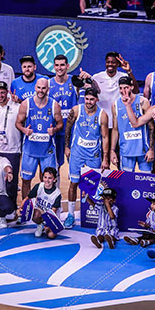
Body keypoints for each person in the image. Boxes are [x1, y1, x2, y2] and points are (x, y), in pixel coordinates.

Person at [65, 87, 109, 227]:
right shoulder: (76, 110)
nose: (89, 102)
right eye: (87, 99)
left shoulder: (102, 115)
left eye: (92, 99)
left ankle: (92, 214)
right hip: (77, 153)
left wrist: (105, 158)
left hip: (93, 154)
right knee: (73, 183)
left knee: (92, 185)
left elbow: (105, 137)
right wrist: (66, 146)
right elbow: (68, 128)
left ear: (97, 99)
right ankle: (70, 215)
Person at [16, 78, 63, 200]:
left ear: (48, 89)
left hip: (47, 152)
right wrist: (24, 130)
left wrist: (54, 130)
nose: (41, 90)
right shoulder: (26, 104)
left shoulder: (54, 105)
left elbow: (60, 124)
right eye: (39, 88)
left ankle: (45, 207)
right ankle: (26, 207)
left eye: (44, 88)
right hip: (30, 150)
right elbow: (18, 123)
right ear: (35, 88)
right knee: (26, 180)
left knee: (47, 181)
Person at [80, 51, 139, 131]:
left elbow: (136, 91)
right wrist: (83, 78)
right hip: (101, 120)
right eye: (108, 62)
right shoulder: (96, 77)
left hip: (119, 120)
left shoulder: (124, 76)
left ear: (118, 64)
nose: (110, 64)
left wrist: (129, 71)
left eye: (113, 62)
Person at [111, 76, 154, 172]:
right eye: (121, 88)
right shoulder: (115, 105)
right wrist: (112, 150)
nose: (123, 91)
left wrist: (151, 149)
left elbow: (151, 127)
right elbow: (115, 129)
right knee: (126, 180)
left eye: (126, 87)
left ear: (132, 87)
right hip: (126, 150)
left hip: (143, 150)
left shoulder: (143, 102)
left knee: (146, 179)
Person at [49, 54, 79, 181]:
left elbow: (95, 91)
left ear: (67, 66)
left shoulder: (75, 81)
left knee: (75, 166)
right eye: (57, 65)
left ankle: (79, 193)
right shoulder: (48, 83)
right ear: (54, 67)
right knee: (55, 166)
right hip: (56, 131)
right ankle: (55, 191)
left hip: (73, 131)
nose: (59, 68)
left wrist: (88, 79)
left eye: (62, 65)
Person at [20, 167, 62, 239]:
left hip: (51, 216)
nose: (47, 180)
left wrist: (47, 224)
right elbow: (27, 198)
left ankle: (44, 226)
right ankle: (40, 225)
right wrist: (21, 208)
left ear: (54, 179)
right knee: (35, 214)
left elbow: (53, 212)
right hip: (39, 212)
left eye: (50, 178)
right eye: (45, 177)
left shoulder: (57, 194)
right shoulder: (39, 186)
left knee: (51, 235)